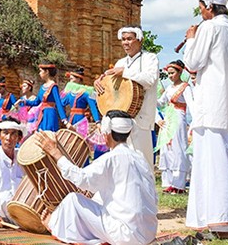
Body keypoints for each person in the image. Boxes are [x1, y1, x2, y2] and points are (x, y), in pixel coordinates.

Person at [182, 0, 228, 239]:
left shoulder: (209, 28)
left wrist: (190, 40)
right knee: (226, 165)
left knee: (211, 166)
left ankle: (218, 225)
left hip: (211, 106)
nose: (200, 12)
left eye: (200, 7)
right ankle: (222, 224)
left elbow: (192, 63)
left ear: (209, 6)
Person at [37, 110, 158, 245]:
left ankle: (53, 225)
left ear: (107, 133)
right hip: (148, 232)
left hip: (126, 235)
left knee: (73, 200)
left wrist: (55, 152)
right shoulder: (140, 158)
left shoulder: (111, 158)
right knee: (98, 197)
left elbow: (81, 179)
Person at [95, 26, 159, 167]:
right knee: (120, 162)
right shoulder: (120, 62)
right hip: (119, 121)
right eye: (123, 39)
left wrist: (125, 71)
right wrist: (100, 83)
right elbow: (113, 89)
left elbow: (149, 80)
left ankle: (145, 189)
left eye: (130, 39)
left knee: (142, 162)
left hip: (141, 119)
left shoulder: (150, 58)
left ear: (140, 40)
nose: (126, 43)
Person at [156, 60, 191, 193]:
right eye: (168, 73)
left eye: (172, 73)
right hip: (168, 118)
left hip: (179, 116)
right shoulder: (169, 88)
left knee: (178, 147)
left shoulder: (185, 87)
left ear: (179, 72)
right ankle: (169, 182)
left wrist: (194, 122)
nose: (170, 76)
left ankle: (179, 184)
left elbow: (191, 105)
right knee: (167, 148)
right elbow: (161, 103)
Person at [19, 63, 67, 132]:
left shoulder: (53, 86)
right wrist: (25, 102)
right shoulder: (42, 87)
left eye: (41, 71)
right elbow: (37, 101)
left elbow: (58, 103)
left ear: (47, 72)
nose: (39, 73)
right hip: (42, 114)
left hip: (50, 114)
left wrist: (64, 119)